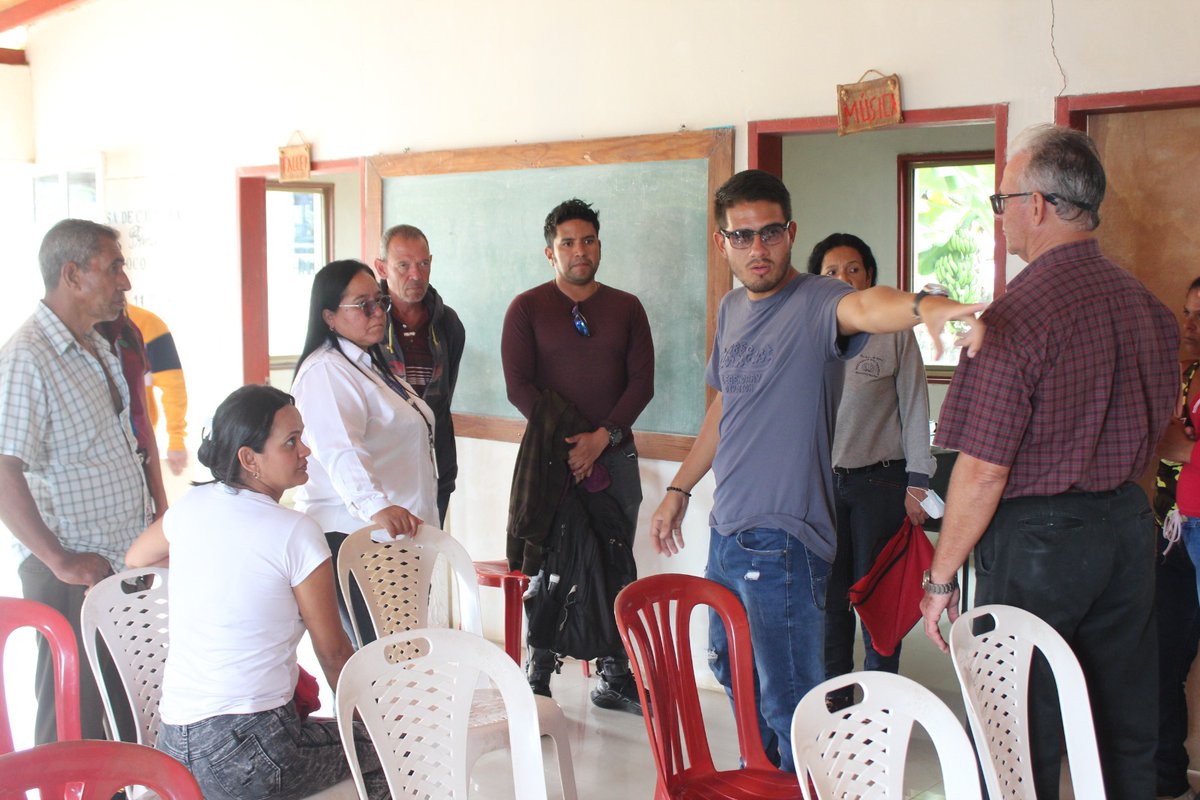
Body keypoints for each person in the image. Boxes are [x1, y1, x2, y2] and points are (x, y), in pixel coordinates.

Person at [649, 170, 984, 771]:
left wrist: (923, 305)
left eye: (770, 232)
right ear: (723, 241)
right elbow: (724, 409)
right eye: (743, 236)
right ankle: (776, 775)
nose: (758, 248)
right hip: (728, 532)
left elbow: (866, 305)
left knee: (792, 699)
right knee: (730, 665)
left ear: (790, 233)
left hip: (783, 539)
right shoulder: (731, 310)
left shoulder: (816, 302)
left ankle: (802, 779)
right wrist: (679, 487)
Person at [919, 124, 1179, 799]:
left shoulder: (1014, 318)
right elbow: (1158, 440)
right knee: (1125, 719)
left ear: (1035, 204)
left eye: (1000, 198)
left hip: (1039, 545)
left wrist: (942, 577)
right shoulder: (1150, 309)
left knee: (1017, 728)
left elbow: (983, 471)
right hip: (1127, 527)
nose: (999, 213)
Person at [126, 385, 387, 800]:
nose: (306, 452)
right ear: (249, 459)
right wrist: (381, 721)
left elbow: (137, 557)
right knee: (396, 749)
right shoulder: (296, 533)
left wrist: (213, 564)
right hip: (252, 751)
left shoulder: (191, 507)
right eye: (290, 442)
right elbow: (334, 655)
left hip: (175, 746)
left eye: (302, 437)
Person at [0, 219, 150, 744]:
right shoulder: (28, 355)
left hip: (117, 559)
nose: (124, 282)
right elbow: (3, 468)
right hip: (72, 569)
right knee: (72, 720)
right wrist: (58, 560)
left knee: (120, 705)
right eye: (113, 267)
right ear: (72, 274)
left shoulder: (95, 347)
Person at [501, 198, 654, 713]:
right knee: (553, 570)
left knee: (615, 566)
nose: (579, 250)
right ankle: (539, 674)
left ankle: (614, 676)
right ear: (551, 252)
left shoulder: (627, 307)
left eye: (588, 240)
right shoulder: (527, 308)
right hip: (553, 463)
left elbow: (641, 384)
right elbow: (518, 385)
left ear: (599, 246)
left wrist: (602, 438)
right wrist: (572, 442)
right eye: (568, 242)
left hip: (614, 459)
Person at [807, 233, 935, 705]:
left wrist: (918, 481)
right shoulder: (807, 330)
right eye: (831, 270)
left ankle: (880, 707)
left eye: (853, 268)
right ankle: (835, 703)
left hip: (879, 483)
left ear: (870, 277)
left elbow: (915, 402)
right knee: (829, 604)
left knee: (878, 603)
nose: (842, 278)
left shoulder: (894, 331)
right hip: (820, 489)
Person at [291, 260, 438, 642]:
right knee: (381, 656)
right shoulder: (326, 372)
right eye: (363, 305)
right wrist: (376, 506)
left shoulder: (366, 363)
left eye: (380, 302)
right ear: (329, 316)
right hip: (359, 533)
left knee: (403, 652)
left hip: (396, 535)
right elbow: (339, 449)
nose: (378, 314)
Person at [374, 225, 464, 525]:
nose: (416, 274)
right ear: (382, 268)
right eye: (403, 265)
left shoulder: (448, 324)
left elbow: (442, 399)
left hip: (435, 467)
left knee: (425, 564)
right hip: (382, 475)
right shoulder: (368, 325)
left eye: (424, 263)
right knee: (380, 568)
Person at [1154, 277, 1200, 800]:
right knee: (1164, 659)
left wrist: (1184, 448)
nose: (1188, 325)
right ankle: (1168, 781)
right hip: (1173, 532)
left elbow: (1176, 445)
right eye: (1186, 312)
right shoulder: (1184, 374)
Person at [127, 303, 189, 477]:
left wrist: (176, 440)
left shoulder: (148, 323)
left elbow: (173, 386)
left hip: (141, 443)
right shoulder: (75, 327)